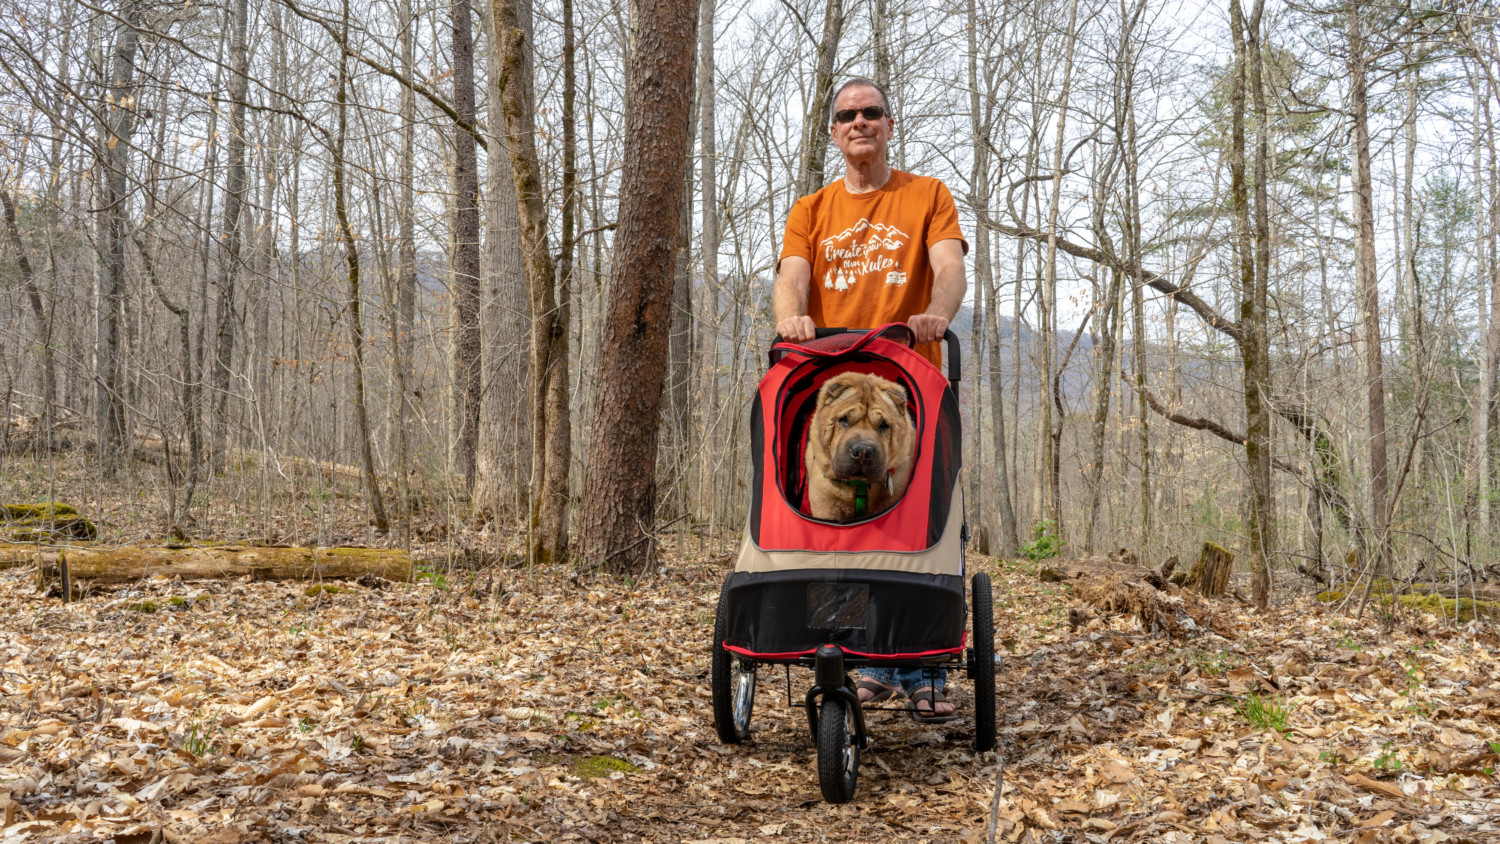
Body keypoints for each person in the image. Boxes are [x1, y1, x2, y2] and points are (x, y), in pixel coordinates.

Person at [772, 76, 968, 723]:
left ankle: (922, 664)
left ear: (889, 124)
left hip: (909, 387)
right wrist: (791, 320)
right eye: (848, 115)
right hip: (832, 383)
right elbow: (790, 279)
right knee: (836, 534)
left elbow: (949, 268)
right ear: (834, 131)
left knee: (916, 528)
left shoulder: (927, 196)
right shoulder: (812, 211)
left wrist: (937, 313)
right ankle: (858, 654)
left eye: (872, 112)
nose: (860, 122)